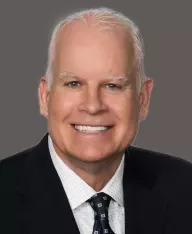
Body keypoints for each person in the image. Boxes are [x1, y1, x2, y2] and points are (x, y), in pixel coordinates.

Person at [1, 7, 192, 234]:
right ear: (45, 97)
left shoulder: (185, 188)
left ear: (143, 99)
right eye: (74, 84)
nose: (93, 106)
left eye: (113, 86)